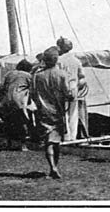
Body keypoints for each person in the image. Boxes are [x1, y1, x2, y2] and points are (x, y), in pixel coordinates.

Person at [31, 46, 75, 179]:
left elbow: (33, 94)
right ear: (56, 60)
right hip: (58, 111)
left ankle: (53, 168)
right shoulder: (62, 74)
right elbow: (68, 94)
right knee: (56, 141)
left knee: (48, 141)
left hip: (43, 111)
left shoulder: (37, 76)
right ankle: (54, 167)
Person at [0, 59, 34, 151]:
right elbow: (33, 89)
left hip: (7, 101)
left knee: (8, 122)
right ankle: (23, 145)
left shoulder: (9, 74)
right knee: (22, 122)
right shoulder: (28, 76)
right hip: (20, 101)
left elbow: (0, 88)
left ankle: (8, 143)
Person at [56, 36, 87, 141]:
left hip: (62, 90)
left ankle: (65, 136)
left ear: (60, 47)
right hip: (74, 89)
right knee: (73, 113)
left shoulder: (58, 61)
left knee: (62, 113)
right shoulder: (76, 61)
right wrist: (77, 88)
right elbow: (82, 78)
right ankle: (72, 137)